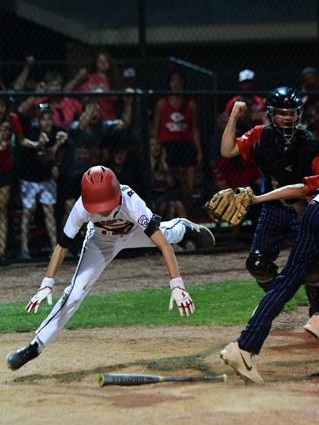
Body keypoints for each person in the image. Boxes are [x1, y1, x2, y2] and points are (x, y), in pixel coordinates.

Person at [6, 165, 215, 370]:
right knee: (75, 294)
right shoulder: (81, 208)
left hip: (134, 233)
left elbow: (162, 244)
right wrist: (47, 283)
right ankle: (35, 346)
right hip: (100, 243)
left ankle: (184, 227)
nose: (104, 211)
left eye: (106, 204)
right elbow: (62, 246)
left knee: (167, 235)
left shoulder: (131, 201)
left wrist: (177, 285)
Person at [220, 88, 319, 316]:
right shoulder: (261, 135)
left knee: (312, 267)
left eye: (291, 113)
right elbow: (227, 150)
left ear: (299, 114)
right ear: (271, 113)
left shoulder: (309, 143)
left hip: (304, 210)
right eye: (281, 113)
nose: (287, 118)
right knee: (258, 264)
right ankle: (278, 298)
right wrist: (233, 117)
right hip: (273, 210)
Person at [220, 171, 319, 385]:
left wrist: (255, 199)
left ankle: (243, 347)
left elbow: (301, 189)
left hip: (316, 210)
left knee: (287, 280)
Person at [0, 95, 49, 266]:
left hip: (5, 168)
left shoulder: (12, 119)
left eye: (2, 104)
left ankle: (1, 253)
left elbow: (21, 140)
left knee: (2, 208)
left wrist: (36, 144)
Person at [17, 105, 67, 260]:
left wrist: (57, 163)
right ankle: (24, 249)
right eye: (43, 119)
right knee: (28, 210)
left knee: (49, 210)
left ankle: (54, 248)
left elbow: (61, 155)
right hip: (29, 178)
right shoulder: (33, 132)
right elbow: (43, 157)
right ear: (38, 120)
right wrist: (55, 145)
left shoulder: (57, 132)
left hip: (46, 178)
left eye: (49, 118)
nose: (47, 122)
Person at [152, 69, 203, 213]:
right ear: (169, 83)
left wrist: (199, 151)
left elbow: (195, 129)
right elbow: (155, 128)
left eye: (179, 81)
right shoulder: (162, 104)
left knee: (189, 184)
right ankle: (170, 214)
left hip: (186, 145)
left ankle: (187, 213)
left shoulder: (191, 104)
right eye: (173, 80)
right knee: (170, 183)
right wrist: (155, 147)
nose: (176, 84)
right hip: (167, 146)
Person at [64, 51, 122, 121]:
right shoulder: (87, 78)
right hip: (88, 117)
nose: (103, 63)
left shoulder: (113, 80)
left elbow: (115, 99)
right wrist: (78, 78)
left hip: (108, 117)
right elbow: (66, 91)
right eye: (100, 61)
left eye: (106, 61)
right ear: (95, 63)